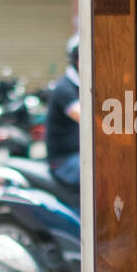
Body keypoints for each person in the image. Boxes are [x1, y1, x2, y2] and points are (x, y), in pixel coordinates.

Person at [46, 35, 81, 187]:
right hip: (65, 162)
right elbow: (89, 120)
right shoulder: (65, 88)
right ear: (74, 60)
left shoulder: (85, 86)